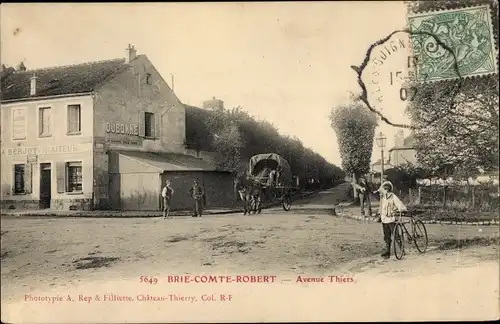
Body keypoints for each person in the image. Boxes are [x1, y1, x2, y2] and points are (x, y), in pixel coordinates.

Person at [378, 181, 407, 259]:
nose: (382, 191)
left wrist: (402, 209)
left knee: (396, 235)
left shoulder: (393, 197)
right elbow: (381, 208)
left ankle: (402, 249)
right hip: (384, 219)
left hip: (391, 219)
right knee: (386, 236)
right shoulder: (383, 198)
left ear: (387, 190)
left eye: (383, 189)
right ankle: (387, 251)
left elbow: (399, 205)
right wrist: (379, 215)